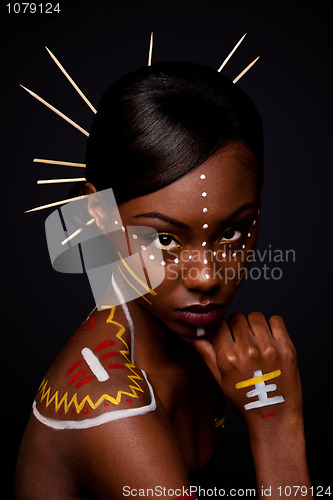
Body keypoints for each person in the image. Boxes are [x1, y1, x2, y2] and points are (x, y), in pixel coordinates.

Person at [15, 61, 311, 499]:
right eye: (165, 238)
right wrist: (276, 425)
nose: (207, 277)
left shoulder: (200, 346)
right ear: (99, 213)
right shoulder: (110, 407)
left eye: (231, 232)